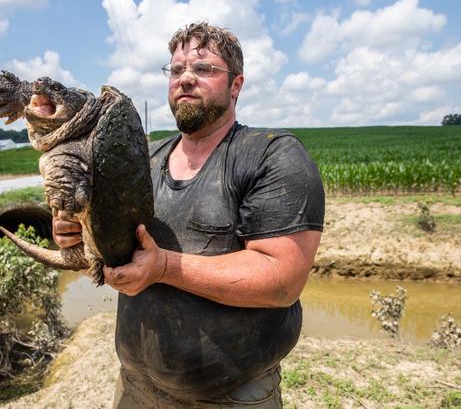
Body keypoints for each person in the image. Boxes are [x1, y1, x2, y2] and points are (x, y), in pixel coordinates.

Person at [53, 22, 325, 408]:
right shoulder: (143, 159)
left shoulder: (271, 155)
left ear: (236, 85)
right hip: (135, 387)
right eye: (176, 70)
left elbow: (282, 280)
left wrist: (165, 266)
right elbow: (114, 254)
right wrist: (78, 233)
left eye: (204, 69)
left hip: (229, 396)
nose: (186, 79)